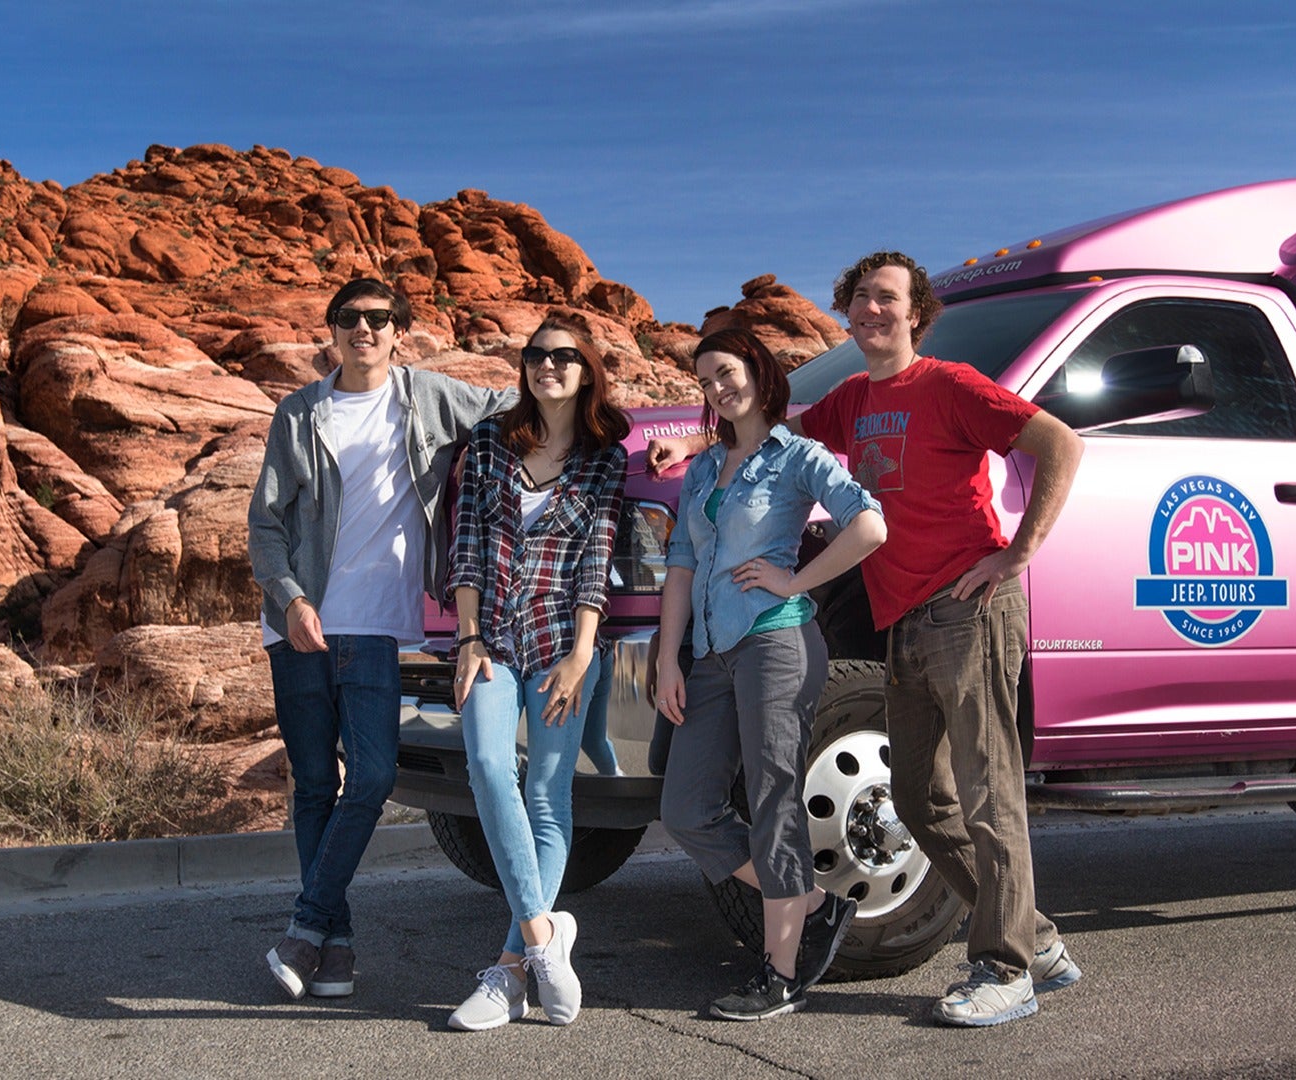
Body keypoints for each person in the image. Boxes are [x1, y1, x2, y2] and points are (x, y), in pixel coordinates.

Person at [649, 252, 1086, 1027]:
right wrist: (690, 442)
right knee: (919, 799)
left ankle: (1006, 967)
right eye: (858, 299)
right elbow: (765, 429)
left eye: (887, 298)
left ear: (916, 311)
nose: (871, 311)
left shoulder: (950, 385)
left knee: (989, 793)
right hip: (903, 619)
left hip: (968, 606)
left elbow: (1060, 444)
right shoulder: (850, 398)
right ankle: (1037, 938)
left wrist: (1017, 553)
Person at [248, 277, 517, 1001]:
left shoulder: (427, 396)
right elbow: (266, 523)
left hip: (375, 626)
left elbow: (522, 409)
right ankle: (333, 947)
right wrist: (291, 598)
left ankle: (305, 925)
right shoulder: (300, 412)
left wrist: (669, 437)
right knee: (313, 786)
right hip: (299, 625)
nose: (363, 329)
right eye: (349, 319)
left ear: (399, 330)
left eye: (378, 318)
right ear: (332, 331)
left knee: (372, 777)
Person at [656, 328, 885, 1021]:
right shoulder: (703, 470)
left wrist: (795, 582)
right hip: (711, 653)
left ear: (757, 370)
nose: (716, 389)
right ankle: (809, 899)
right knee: (686, 810)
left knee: (771, 799)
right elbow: (681, 566)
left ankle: (778, 973)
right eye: (703, 381)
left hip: (776, 643)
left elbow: (869, 526)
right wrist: (669, 656)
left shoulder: (799, 458)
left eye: (725, 372)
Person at [445, 312, 629, 1031]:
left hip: (560, 644)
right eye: (535, 355)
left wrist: (584, 653)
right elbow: (467, 542)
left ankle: (513, 968)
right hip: (491, 641)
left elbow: (598, 555)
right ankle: (547, 936)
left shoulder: (603, 456)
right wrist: (467, 638)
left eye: (561, 356)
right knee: (490, 767)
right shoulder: (492, 440)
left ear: (585, 369)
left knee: (549, 794)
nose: (546, 365)